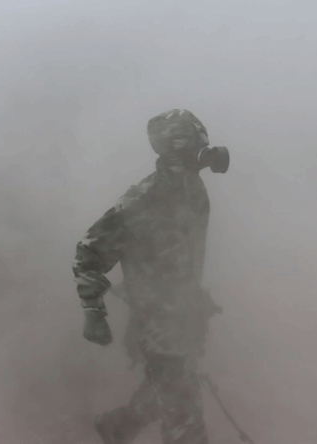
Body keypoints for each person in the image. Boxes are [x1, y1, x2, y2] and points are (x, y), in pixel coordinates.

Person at [72, 109, 229, 444]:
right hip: (157, 322)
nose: (205, 148)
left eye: (203, 139)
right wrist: (93, 311)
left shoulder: (193, 188)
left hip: (184, 314)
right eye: (196, 140)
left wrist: (192, 299)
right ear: (176, 146)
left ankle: (118, 426)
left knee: (170, 388)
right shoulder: (143, 199)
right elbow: (89, 252)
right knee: (184, 413)